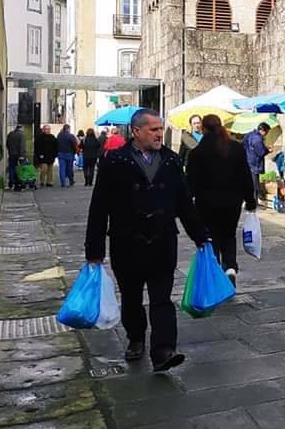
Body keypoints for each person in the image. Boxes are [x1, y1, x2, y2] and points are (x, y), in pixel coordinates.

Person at [85, 109, 210, 372]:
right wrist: (94, 250)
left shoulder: (171, 161)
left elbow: (185, 204)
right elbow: (99, 207)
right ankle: (136, 337)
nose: (158, 134)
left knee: (162, 298)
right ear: (137, 131)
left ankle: (164, 349)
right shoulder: (114, 161)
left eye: (160, 129)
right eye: (153, 129)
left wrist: (200, 236)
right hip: (127, 242)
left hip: (163, 241)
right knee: (131, 297)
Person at [186, 114, 257, 286]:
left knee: (212, 238)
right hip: (232, 202)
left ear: (203, 128)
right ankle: (230, 268)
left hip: (206, 203)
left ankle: (217, 272)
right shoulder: (236, 148)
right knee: (229, 235)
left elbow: (190, 182)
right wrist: (250, 198)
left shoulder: (197, 152)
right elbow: (245, 175)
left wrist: (187, 204)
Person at [242, 123, 270, 200]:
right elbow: (260, 152)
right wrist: (268, 150)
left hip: (247, 161)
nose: (266, 134)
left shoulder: (249, 135)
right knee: (254, 185)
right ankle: (254, 202)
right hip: (254, 163)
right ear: (263, 131)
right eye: (267, 132)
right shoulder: (257, 139)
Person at [6, 125, 25, 191]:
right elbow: (22, 146)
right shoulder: (21, 135)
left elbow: (7, 144)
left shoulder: (10, 134)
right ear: (21, 128)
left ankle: (11, 182)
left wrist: (10, 151)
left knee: (11, 168)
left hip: (11, 154)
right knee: (20, 169)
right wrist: (22, 155)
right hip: (19, 155)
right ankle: (19, 183)